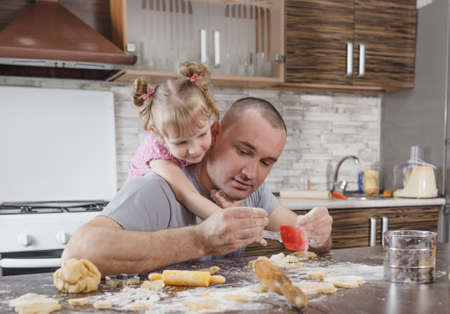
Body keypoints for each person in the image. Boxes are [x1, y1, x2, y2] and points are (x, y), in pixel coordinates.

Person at [62, 97, 333, 275]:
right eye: (243, 151)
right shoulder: (157, 188)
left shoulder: (255, 194)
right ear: (214, 134)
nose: (251, 173)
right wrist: (200, 240)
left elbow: (307, 236)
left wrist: (318, 233)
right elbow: (77, 252)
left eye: (266, 162)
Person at [127, 61, 239, 221]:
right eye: (181, 142)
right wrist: (231, 221)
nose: (195, 149)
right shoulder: (158, 158)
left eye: (201, 135)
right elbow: (188, 195)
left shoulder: (209, 131)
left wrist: (234, 198)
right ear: (158, 135)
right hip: (139, 215)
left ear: (209, 120)